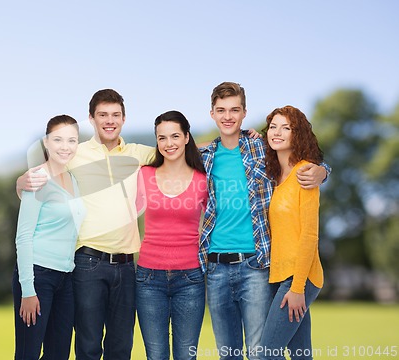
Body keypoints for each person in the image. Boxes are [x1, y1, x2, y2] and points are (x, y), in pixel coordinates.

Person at [17, 89, 155, 360]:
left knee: (121, 347)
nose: (109, 120)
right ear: (91, 118)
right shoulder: (74, 153)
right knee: (88, 346)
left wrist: (244, 137)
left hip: (127, 266)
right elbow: (41, 167)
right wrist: (21, 182)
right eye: (102, 114)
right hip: (88, 263)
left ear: (124, 119)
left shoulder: (138, 153)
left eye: (115, 115)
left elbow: (179, 149)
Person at [198, 82, 330, 360]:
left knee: (264, 353)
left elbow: (309, 231)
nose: (228, 116)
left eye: (235, 109)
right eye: (221, 110)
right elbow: (170, 148)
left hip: (257, 266)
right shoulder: (206, 156)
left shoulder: (263, 151)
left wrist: (323, 170)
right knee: (293, 353)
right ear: (212, 114)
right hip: (220, 267)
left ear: (245, 112)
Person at [136, 111, 208, 360]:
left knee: (186, 356)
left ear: (187, 137)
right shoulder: (143, 174)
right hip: (148, 279)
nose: (169, 144)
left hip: (190, 279)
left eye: (175, 136)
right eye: (162, 138)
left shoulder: (202, 180)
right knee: (155, 356)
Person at [13, 115, 85, 360]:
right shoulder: (37, 178)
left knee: (58, 354)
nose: (65, 146)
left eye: (71, 140)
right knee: (28, 354)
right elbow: (23, 236)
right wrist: (28, 290)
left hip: (66, 278)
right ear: (46, 142)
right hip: (38, 276)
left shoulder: (74, 180)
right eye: (58, 140)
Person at [258, 106, 324, 360]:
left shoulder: (306, 173)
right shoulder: (275, 176)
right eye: (273, 126)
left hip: (300, 278)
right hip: (278, 276)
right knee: (300, 355)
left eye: (286, 127)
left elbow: (310, 235)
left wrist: (298, 288)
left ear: (299, 135)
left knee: (265, 354)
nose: (277, 132)